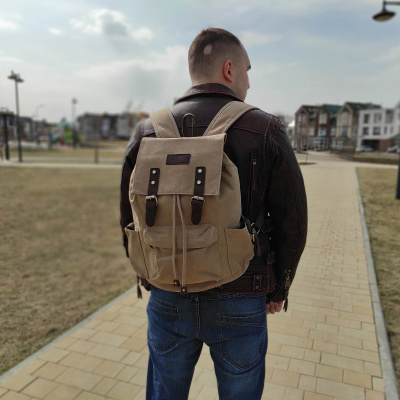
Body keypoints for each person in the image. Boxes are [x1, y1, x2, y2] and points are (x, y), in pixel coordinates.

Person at [120, 28, 307, 400]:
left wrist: (150, 272)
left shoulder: (146, 132)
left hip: (168, 292)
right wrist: (278, 287)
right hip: (242, 292)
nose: (249, 82)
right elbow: (293, 222)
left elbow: (129, 218)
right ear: (228, 69)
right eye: (247, 71)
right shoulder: (265, 129)